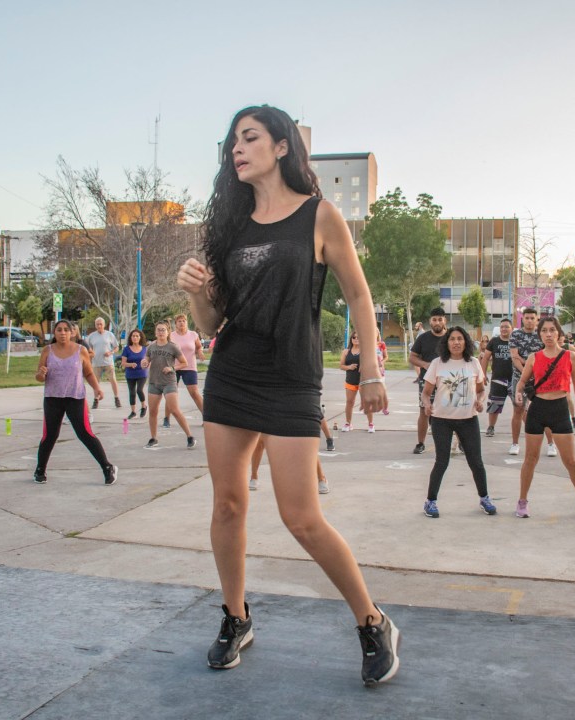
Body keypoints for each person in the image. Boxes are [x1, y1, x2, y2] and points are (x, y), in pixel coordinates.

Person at [175, 105, 397, 684]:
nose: (237, 149)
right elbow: (210, 325)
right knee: (228, 505)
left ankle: (373, 621)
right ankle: (235, 616)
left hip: (292, 377)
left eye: (249, 138)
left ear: (280, 148)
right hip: (232, 375)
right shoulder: (230, 228)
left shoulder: (319, 215)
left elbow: (358, 295)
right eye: (232, 142)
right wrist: (196, 293)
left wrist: (371, 370)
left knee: (301, 517)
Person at [514, 316, 575, 520]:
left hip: (559, 409)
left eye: (552, 330)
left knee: (571, 461)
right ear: (539, 334)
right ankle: (522, 501)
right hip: (538, 409)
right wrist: (518, 392)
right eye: (544, 331)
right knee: (530, 459)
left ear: (559, 333)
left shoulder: (570, 356)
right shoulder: (534, 357)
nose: (548, 334)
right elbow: (522, 381)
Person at [421, 326, 494, 518]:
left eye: (460, 339)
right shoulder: (438, 363)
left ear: (466, 342)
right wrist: (427, 405)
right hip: (441, 420)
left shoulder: (474, 363)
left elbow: (480, 390)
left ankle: (484, 498)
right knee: (442, 461)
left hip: (468, 420)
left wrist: (480, 401)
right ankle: (430, 501)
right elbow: (426, 393)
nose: (456, 342)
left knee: (476, 462)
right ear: (446, 343)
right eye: (452, 339)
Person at [33, 319, 117, 486]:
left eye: (66, 330)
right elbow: (39, 377)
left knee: (85, 433)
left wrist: (97, 388)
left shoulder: (81, 350)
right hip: (53, 398)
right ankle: (40, 470)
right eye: (59, 330)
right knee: (50, 435)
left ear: (72, 333)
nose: (63, 333)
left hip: (75, 398)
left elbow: (89, 373)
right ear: (54, 332)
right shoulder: (47, 351)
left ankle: (107, 468)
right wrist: (41, 374)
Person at [509, 307, 555, 457]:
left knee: (545, 411)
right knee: (518, 410)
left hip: (540, 379)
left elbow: (546, 355)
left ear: (537, 320)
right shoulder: (515, 334)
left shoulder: (541, 335)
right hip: (519, 378)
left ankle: (551, 444)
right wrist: (525, 373)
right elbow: (514, 356)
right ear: (522, 319)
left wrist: (532, 369)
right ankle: (515, 444)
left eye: (532, 318)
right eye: (527, 318)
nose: (529, 321)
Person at [142, 321, 196, 449]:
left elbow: (184, 363)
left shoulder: (172, 347)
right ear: (155, 332)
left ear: (168, 332)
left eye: (163, 330)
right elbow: (146, 359)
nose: (161, 332)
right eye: (158, 330)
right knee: (153, 411)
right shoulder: (151, 347)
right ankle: (153, 438)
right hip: (154, 382)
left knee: (174, 409)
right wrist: (144, 362)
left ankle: (190, 436)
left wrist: (172, 368)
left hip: (169, 382)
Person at [410, 308, 448, 453]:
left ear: (445, 321)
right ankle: (420, 443)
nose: (437, 322)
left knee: (453, 410)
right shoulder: (423, 338)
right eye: (434, 320)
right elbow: (412, 357)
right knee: (424, 411)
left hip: (449, 380)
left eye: (440, 319)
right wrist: (425, 364)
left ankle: (459, 442)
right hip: (427, 380)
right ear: (430, 321)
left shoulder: (451, 337)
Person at [168, 314, 206, 419]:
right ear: (176, 323)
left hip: (190, 367)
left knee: (194, 392)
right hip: (174, 367)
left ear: (187, 323)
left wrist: (200, 352)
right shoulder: (171, 336)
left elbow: (199, 347)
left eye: (183, 321)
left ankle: (206, 416)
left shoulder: (193, 334)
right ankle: (167, 419)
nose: (182, 323)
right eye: (179, 321)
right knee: (171, 393)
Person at [481, 319, 514, 438]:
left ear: (511, 328)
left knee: (520, 406)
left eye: (506, 327)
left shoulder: (515, 341)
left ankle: (528, 428)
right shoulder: (494, 341)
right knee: (494, 405)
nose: (504, 329)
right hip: (498, 379)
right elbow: (485, 358)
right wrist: (483, 374)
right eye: (502, 327)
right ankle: (491, 427)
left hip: (514, 380)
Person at [339, 331, 375, 432]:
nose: (356, 339)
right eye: (354, 337)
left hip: (363, 381)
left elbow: (372, 363)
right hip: (350, 380)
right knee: (349, 402)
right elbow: (341, 366)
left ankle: (371, 424)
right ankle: (348, 423)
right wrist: (349, 367)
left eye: (358, 337)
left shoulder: (365, 351)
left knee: (366, 402)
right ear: (351, 339)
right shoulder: (346, 352)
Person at [86, 317, 121, 409]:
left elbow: (116, 347)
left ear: (104, 325)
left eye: (101, 324)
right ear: (95, 325)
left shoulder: (109, 335)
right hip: (96, 363)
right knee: (96, 382)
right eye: (97, 324)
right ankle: (96, 399)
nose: (99, 326)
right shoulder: (91, 336)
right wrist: (90, 356)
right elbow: (87, 348)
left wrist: (111, 352)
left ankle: (117, 398)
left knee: (113, 380)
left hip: (108, 362)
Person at [119, 328, 149, 419]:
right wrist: (130, 364)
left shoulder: (144, 349)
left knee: (139, 390)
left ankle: (144, 406)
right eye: (133, 336)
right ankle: (133, 411)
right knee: (132, 392)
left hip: (142, 373)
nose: (135, 338)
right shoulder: (127, 349)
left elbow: (148, 361)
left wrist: (147, 364)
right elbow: (123, 363)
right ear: (131, 338)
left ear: (140, 337)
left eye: (137, 336)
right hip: (130, 373)